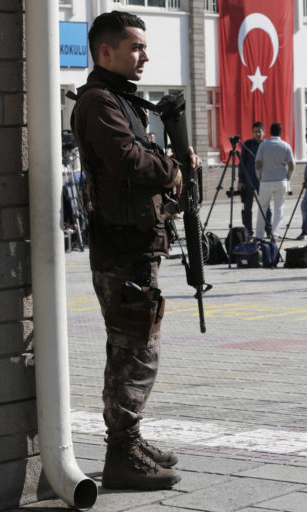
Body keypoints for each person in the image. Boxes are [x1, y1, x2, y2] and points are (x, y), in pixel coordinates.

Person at [71, 11, 201, 490]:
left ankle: (129, 438)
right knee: (135, 350)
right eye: (135, 47)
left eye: (144, 48)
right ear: (106, 51)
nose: (144, 56)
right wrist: (172, 169)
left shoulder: (121, 99)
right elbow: (127, 158)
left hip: (136, 245)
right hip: (121, 248)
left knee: (132, 347)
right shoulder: (99, 102)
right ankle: (121, 454)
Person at [255, 122, 295, 239]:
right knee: (279, 207)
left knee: (262, 207)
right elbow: (292, 164)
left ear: (270, 132)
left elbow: (257, 163)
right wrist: (289, 177)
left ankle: (259, 234)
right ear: (281, 133)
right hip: (281, 180)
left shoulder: (263, 145)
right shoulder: (286, 146)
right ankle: (275, 233)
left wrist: (259, 176)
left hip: (265, 181)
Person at [238, 122, 265, 236]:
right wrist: (240, 180)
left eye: (259, 131)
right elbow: (242, 163)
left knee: (265, 207)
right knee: (247, 208)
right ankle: (248, 230)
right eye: (255, 132)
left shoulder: (267, 145)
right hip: (249, 181)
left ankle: (268, 230)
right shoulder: (248, 145)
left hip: (263, 181)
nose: (257, 134)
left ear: (264, 132)